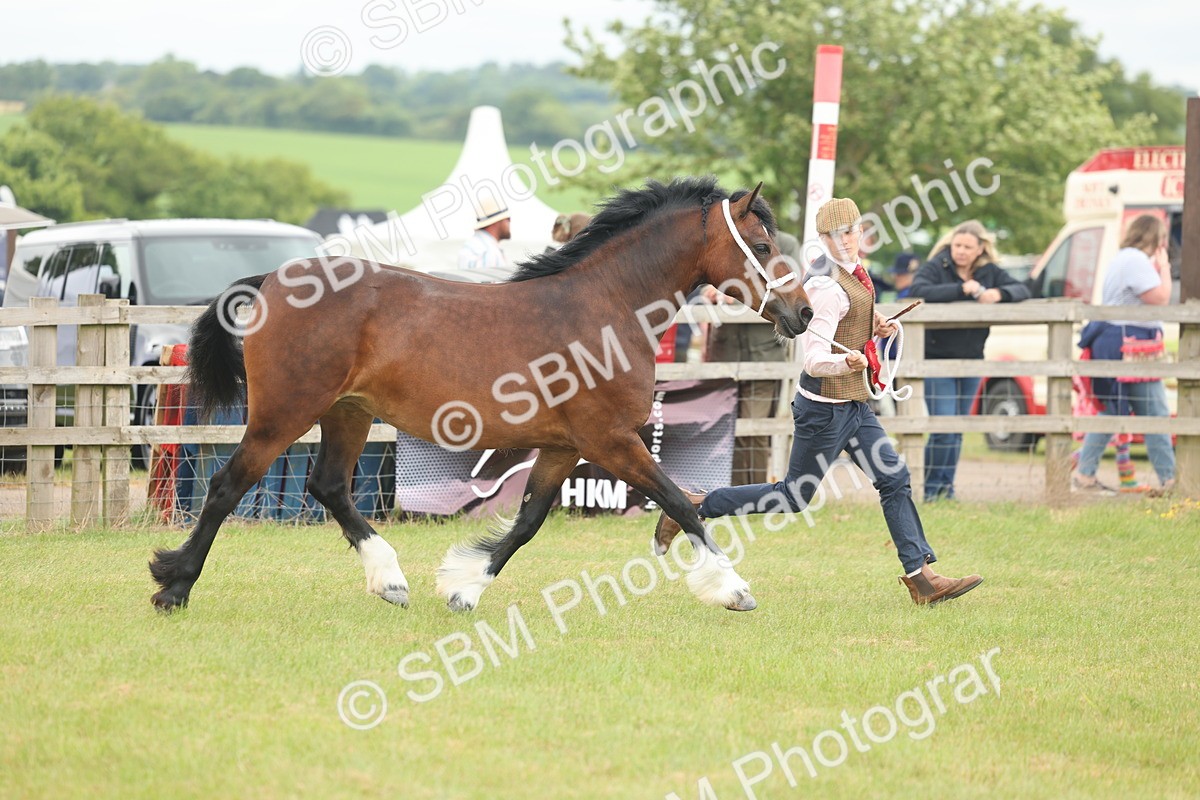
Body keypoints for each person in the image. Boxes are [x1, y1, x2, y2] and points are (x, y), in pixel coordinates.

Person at [656, 198, 983, 606]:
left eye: (849, 231)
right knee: (793, 497)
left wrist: (873, 324)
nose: (844, 240)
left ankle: (922, 579)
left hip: (854, 405)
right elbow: (813, 359)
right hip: (824, 411)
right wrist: (845, 359)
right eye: (833, 235)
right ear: (823, 239)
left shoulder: (853, 274)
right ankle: (695, 504)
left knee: (893, 478)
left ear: (860, 231)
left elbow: (850, 316)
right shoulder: (827, 285)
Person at [910, 221, 1031, 501]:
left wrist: (999, 294)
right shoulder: (936, 266)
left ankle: (947, 490)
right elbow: (919, 290)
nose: (960, 251)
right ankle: (931, 491)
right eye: (957, 245)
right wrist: (962, 289)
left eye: (967, 247)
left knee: (958, 428)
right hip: (937, 359)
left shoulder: (990, 272)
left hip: (972, 359)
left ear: (980, 250)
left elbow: (1024, 288)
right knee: (943, 426)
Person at [1073, 214, 1176, 496]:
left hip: (1115, 341)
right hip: (1130, 345)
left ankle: (1084, 474)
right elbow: (1160, 298)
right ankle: (1170, 480)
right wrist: (1164, 267)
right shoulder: (1135, 260)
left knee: (1112, 411)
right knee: (1155, 413)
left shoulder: (1123, 257)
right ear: (1156, 238)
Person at [701, 231, 799, 483]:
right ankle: (727, 492)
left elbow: (789, 293)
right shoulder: (723, 242)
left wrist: (737, 294)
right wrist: (711, 292)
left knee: (755, 430)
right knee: (724, 430)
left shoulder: (785, 245)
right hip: (724, 355)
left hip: (763, 357)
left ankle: (754, 494)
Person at [458, 197, 511, 270]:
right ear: (497, 222)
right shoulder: (490, 253)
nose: (509, 222)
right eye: (508, 218)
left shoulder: (469, 246)